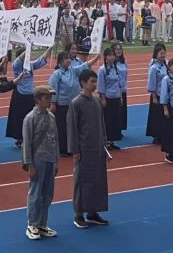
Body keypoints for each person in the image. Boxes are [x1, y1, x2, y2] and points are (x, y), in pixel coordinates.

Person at [67, 68, 110, 229]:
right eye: (92, 81)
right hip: (84, 150)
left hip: (97, 148)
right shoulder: (76, 103)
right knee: (82, 182)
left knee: (98, 181)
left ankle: (93, 212)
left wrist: (104, 143)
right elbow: (72, 128)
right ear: (83, 83)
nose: (94, 84)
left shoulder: (97, 101)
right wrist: (75, 150)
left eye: (95, 81)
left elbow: (102, 125)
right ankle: (78, 215)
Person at [48, 46, 99, 157]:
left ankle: (72, 147)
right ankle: (62, 148)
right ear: (60, 61)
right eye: (65, 59)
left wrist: (96, 58)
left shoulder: (72, 70)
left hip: (74, 103)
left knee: (73, 126)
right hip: (62, 105)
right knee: (62, 127)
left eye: (69, 58)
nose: (68, 60)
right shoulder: (57, 74)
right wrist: (53, 103)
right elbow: (53, 89)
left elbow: (84, 66)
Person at [22, 84, 58, 240]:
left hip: (50, 159)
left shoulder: (51, 117)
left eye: (50, 97)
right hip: (37, 160)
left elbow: (55, 140)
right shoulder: (30, 118)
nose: (49, 100)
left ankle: (42, 224)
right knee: (35, 194)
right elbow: (27, 143)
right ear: (37, 100)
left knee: (47, 194)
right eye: (46, 98)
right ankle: (32, 225)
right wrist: (29, 165)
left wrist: (56, 160)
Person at [6, 45, 53, 148]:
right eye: (27, 55)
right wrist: (28, 48)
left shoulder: (30, 65)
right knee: (20, 117)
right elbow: (20, 59)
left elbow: (41, 59)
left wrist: (49, 49)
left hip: (31, 95)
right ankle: (20, 139)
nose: (28, 57)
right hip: (20, 94)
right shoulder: (16, 65)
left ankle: (30, 137)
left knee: (32, 117)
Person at [97, 46, 124, 149]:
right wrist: (103, 98)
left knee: (115, 119)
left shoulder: (116, 68)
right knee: (107, 120)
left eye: (113, 55)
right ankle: (106, 141)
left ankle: (112, 140)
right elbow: (101, 85)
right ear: (105, 57)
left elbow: (119, 83)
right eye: (110, 55)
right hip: (107, 98)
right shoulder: (102, 70)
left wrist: (120, 96)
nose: (112, 57)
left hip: (116, 97)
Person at [146, 42, 168, 144]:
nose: (163, 55)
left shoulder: (167, 64)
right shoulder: (153, 67)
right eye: (161, 53)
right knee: (157, 116)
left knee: (164, 116)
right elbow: (152, 83)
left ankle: (164, 134)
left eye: (164, 53)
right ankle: (156, 136)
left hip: (166, 95)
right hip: (157, 95)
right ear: (156, 54)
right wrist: (154, 96)